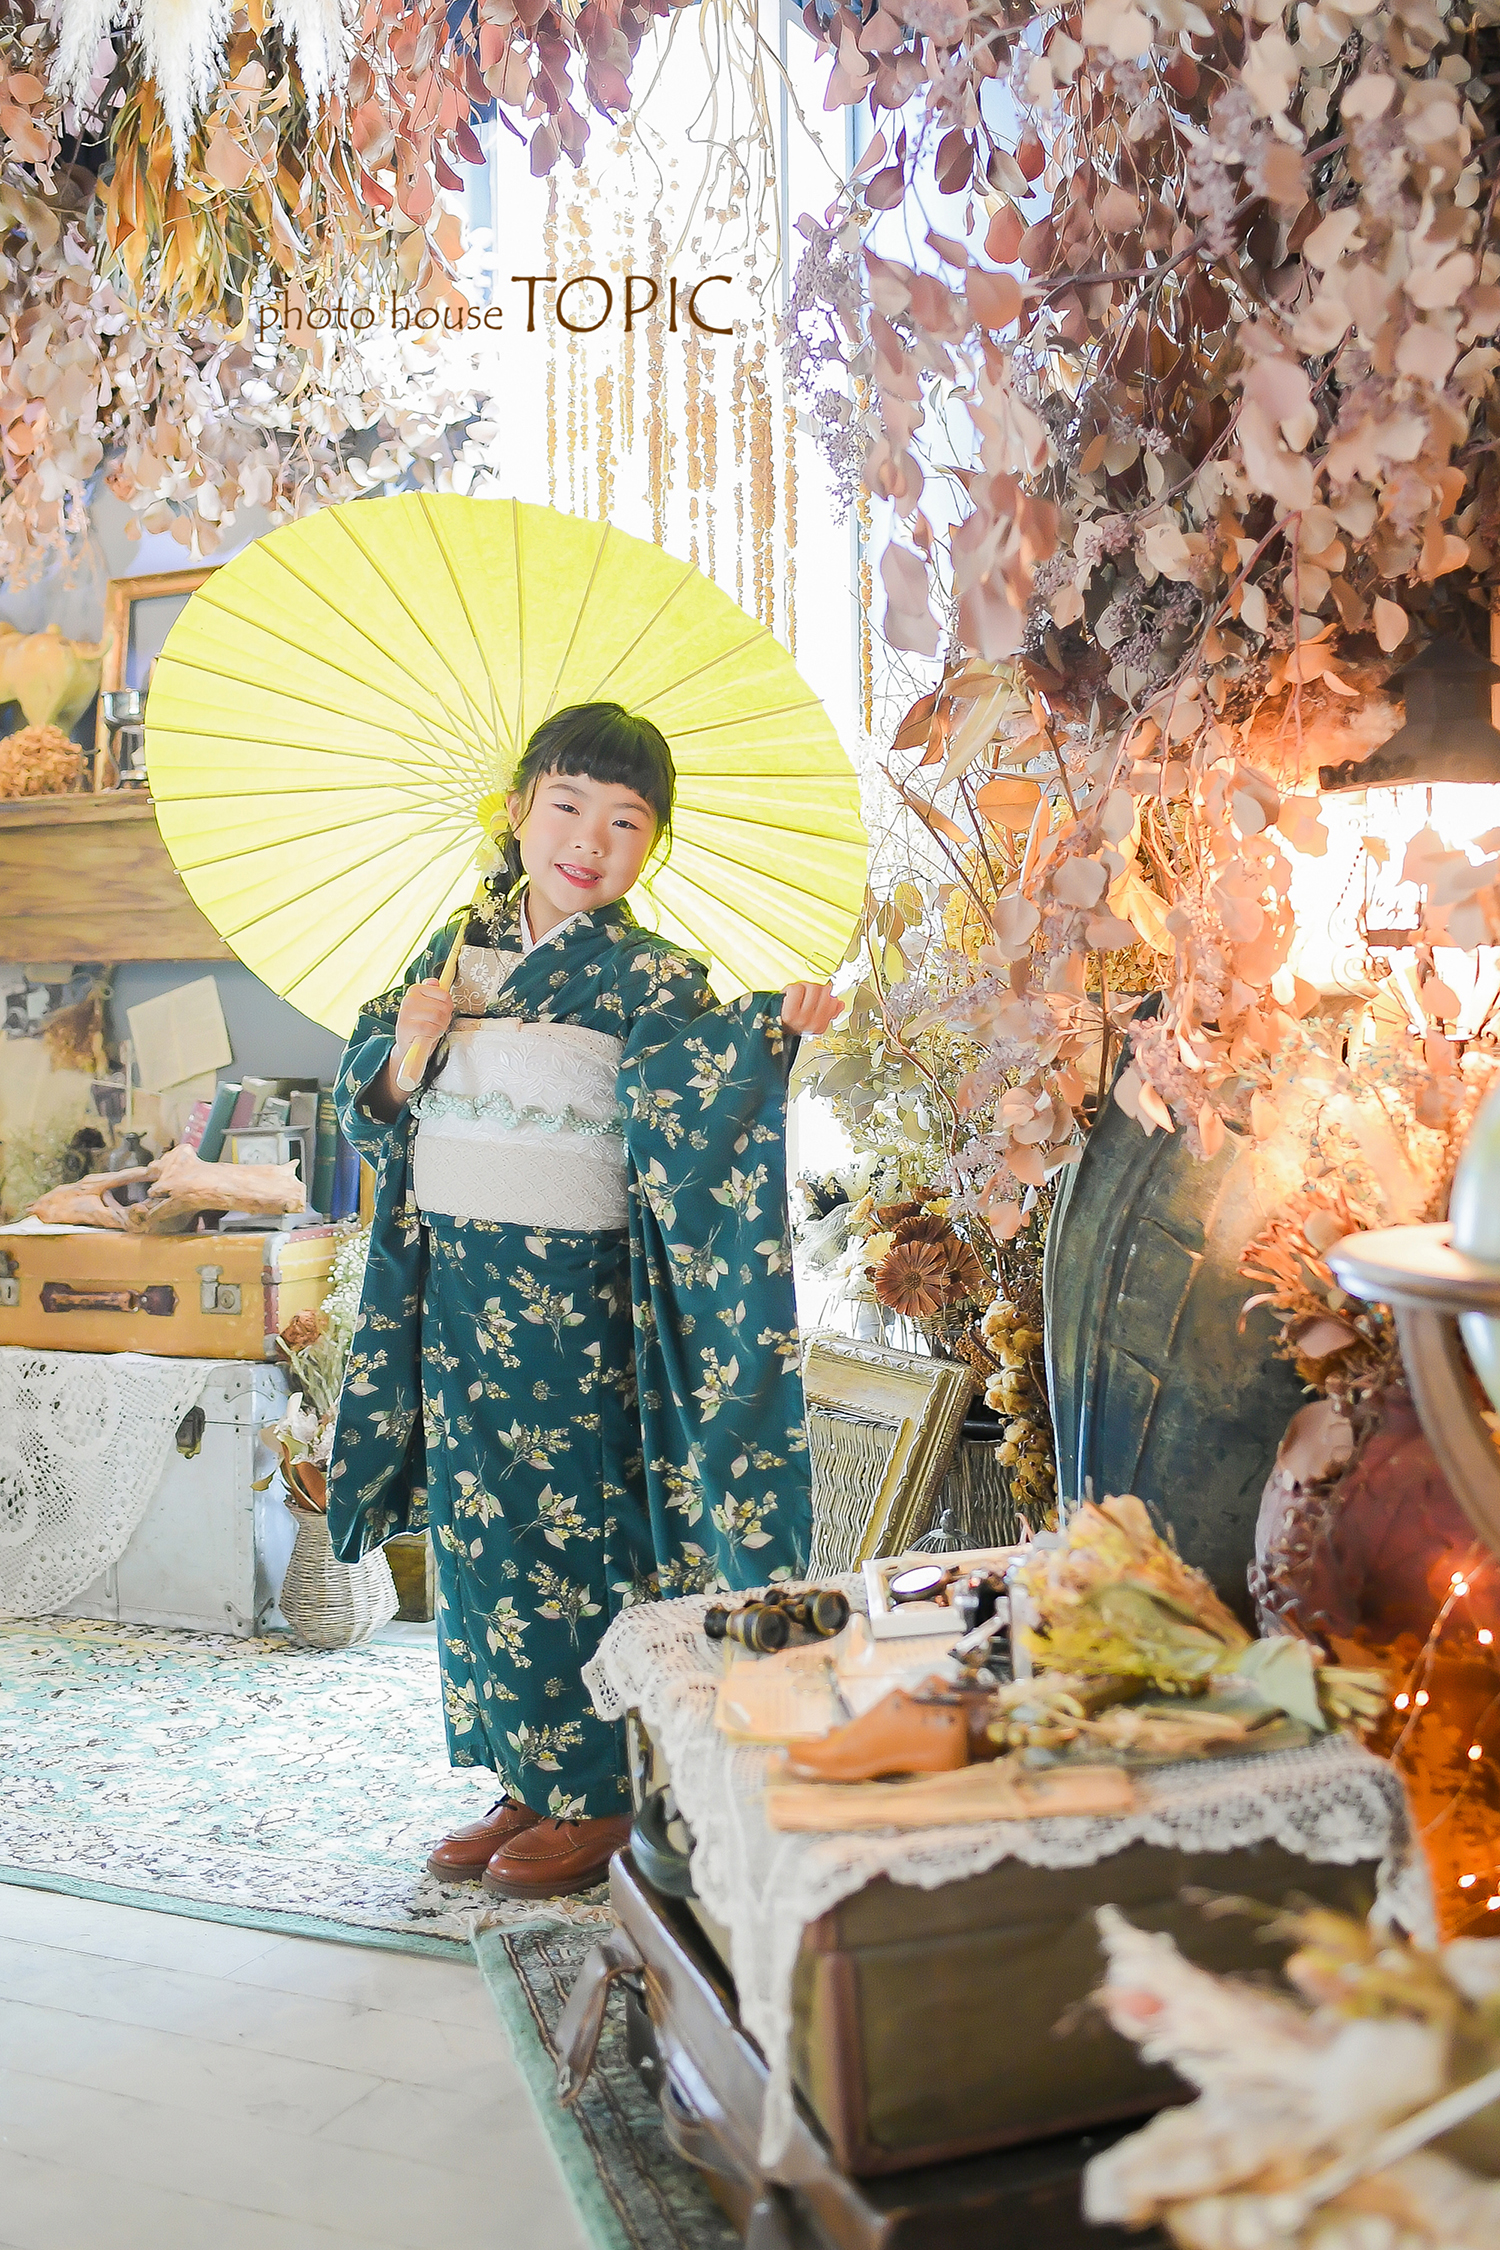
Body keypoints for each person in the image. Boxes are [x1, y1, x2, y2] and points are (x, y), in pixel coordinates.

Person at [326, 701, 839, 1900]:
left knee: (577, 1536)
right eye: (566, 806)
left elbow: (694, 1103)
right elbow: (372, 1106)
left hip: (576, 1309)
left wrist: (767, 1035)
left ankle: (602, 1790)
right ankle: (525, 1777)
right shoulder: (449, 956)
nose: (589, 840)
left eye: (625, 822)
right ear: (516, 811)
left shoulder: (653, 976)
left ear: (651, 845)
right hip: (456, 1299)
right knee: (479, 1540)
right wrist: (408, 1052)